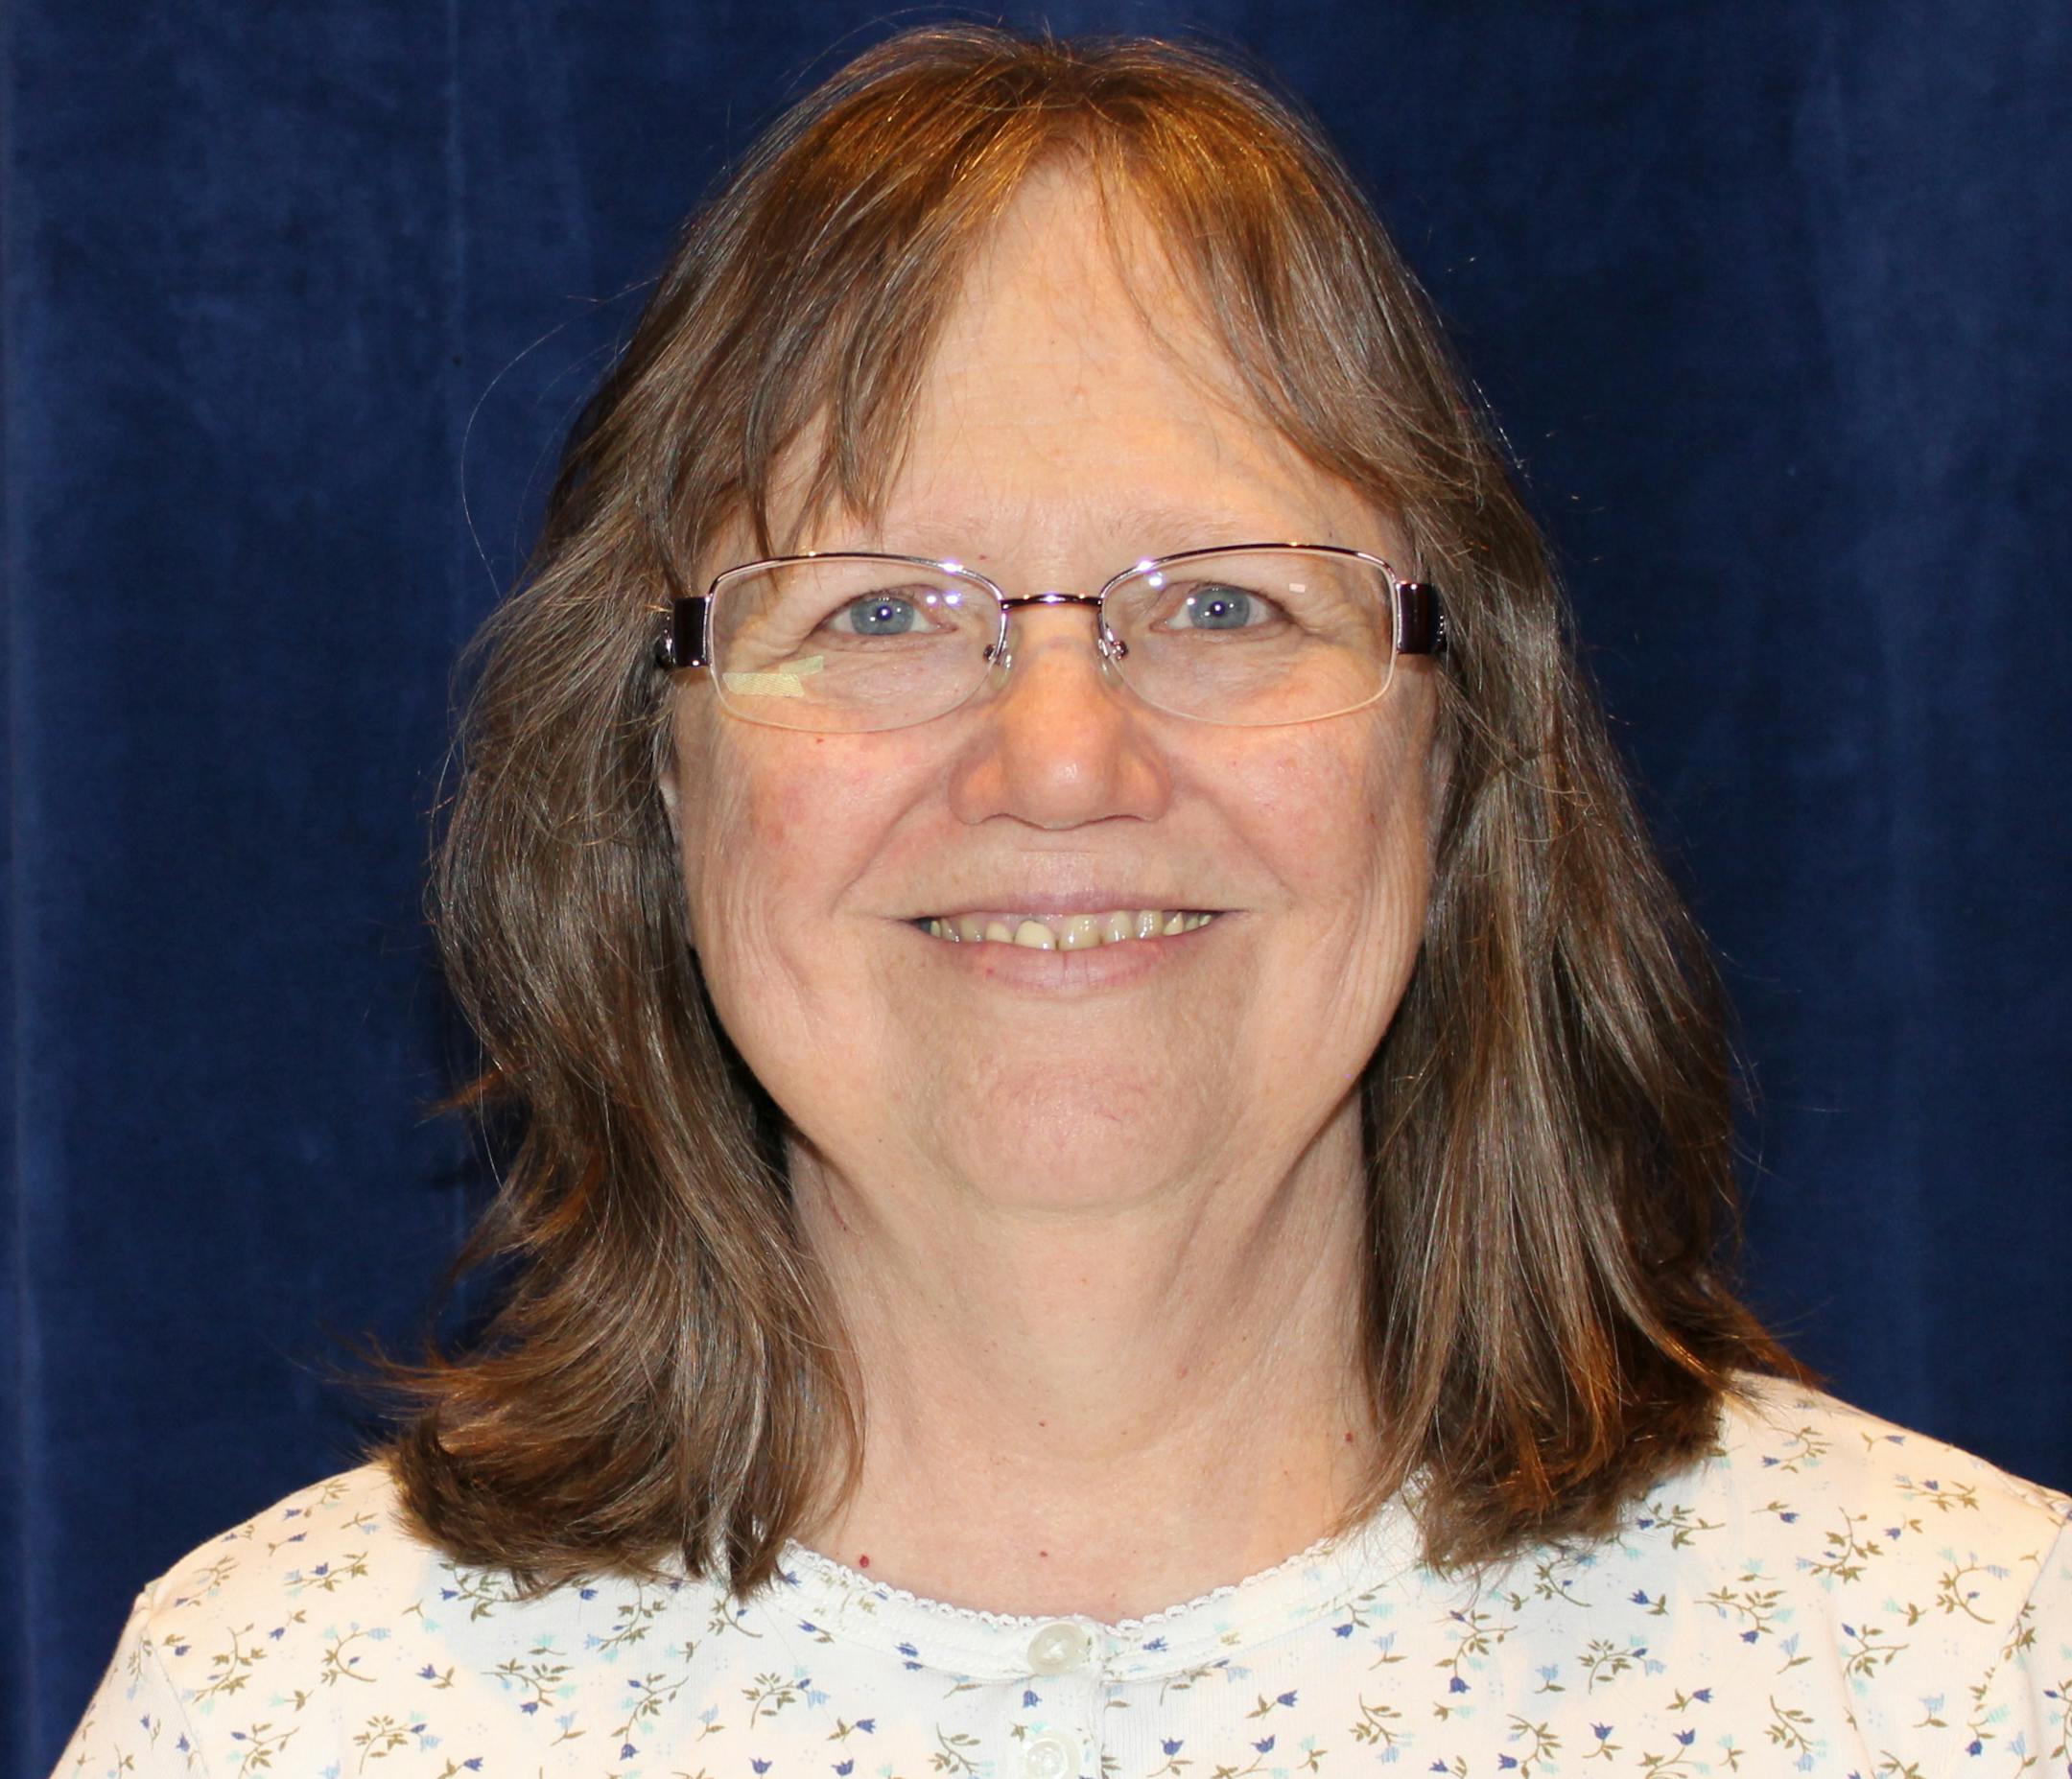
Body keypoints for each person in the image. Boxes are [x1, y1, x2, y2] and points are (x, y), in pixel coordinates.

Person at [56, 25, 2069, 1779]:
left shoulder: (1964, 1681)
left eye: (1219, 601)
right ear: (658, 778)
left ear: (1457, 758)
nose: (1062, 756)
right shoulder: (284, 1715)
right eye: (878, 613)